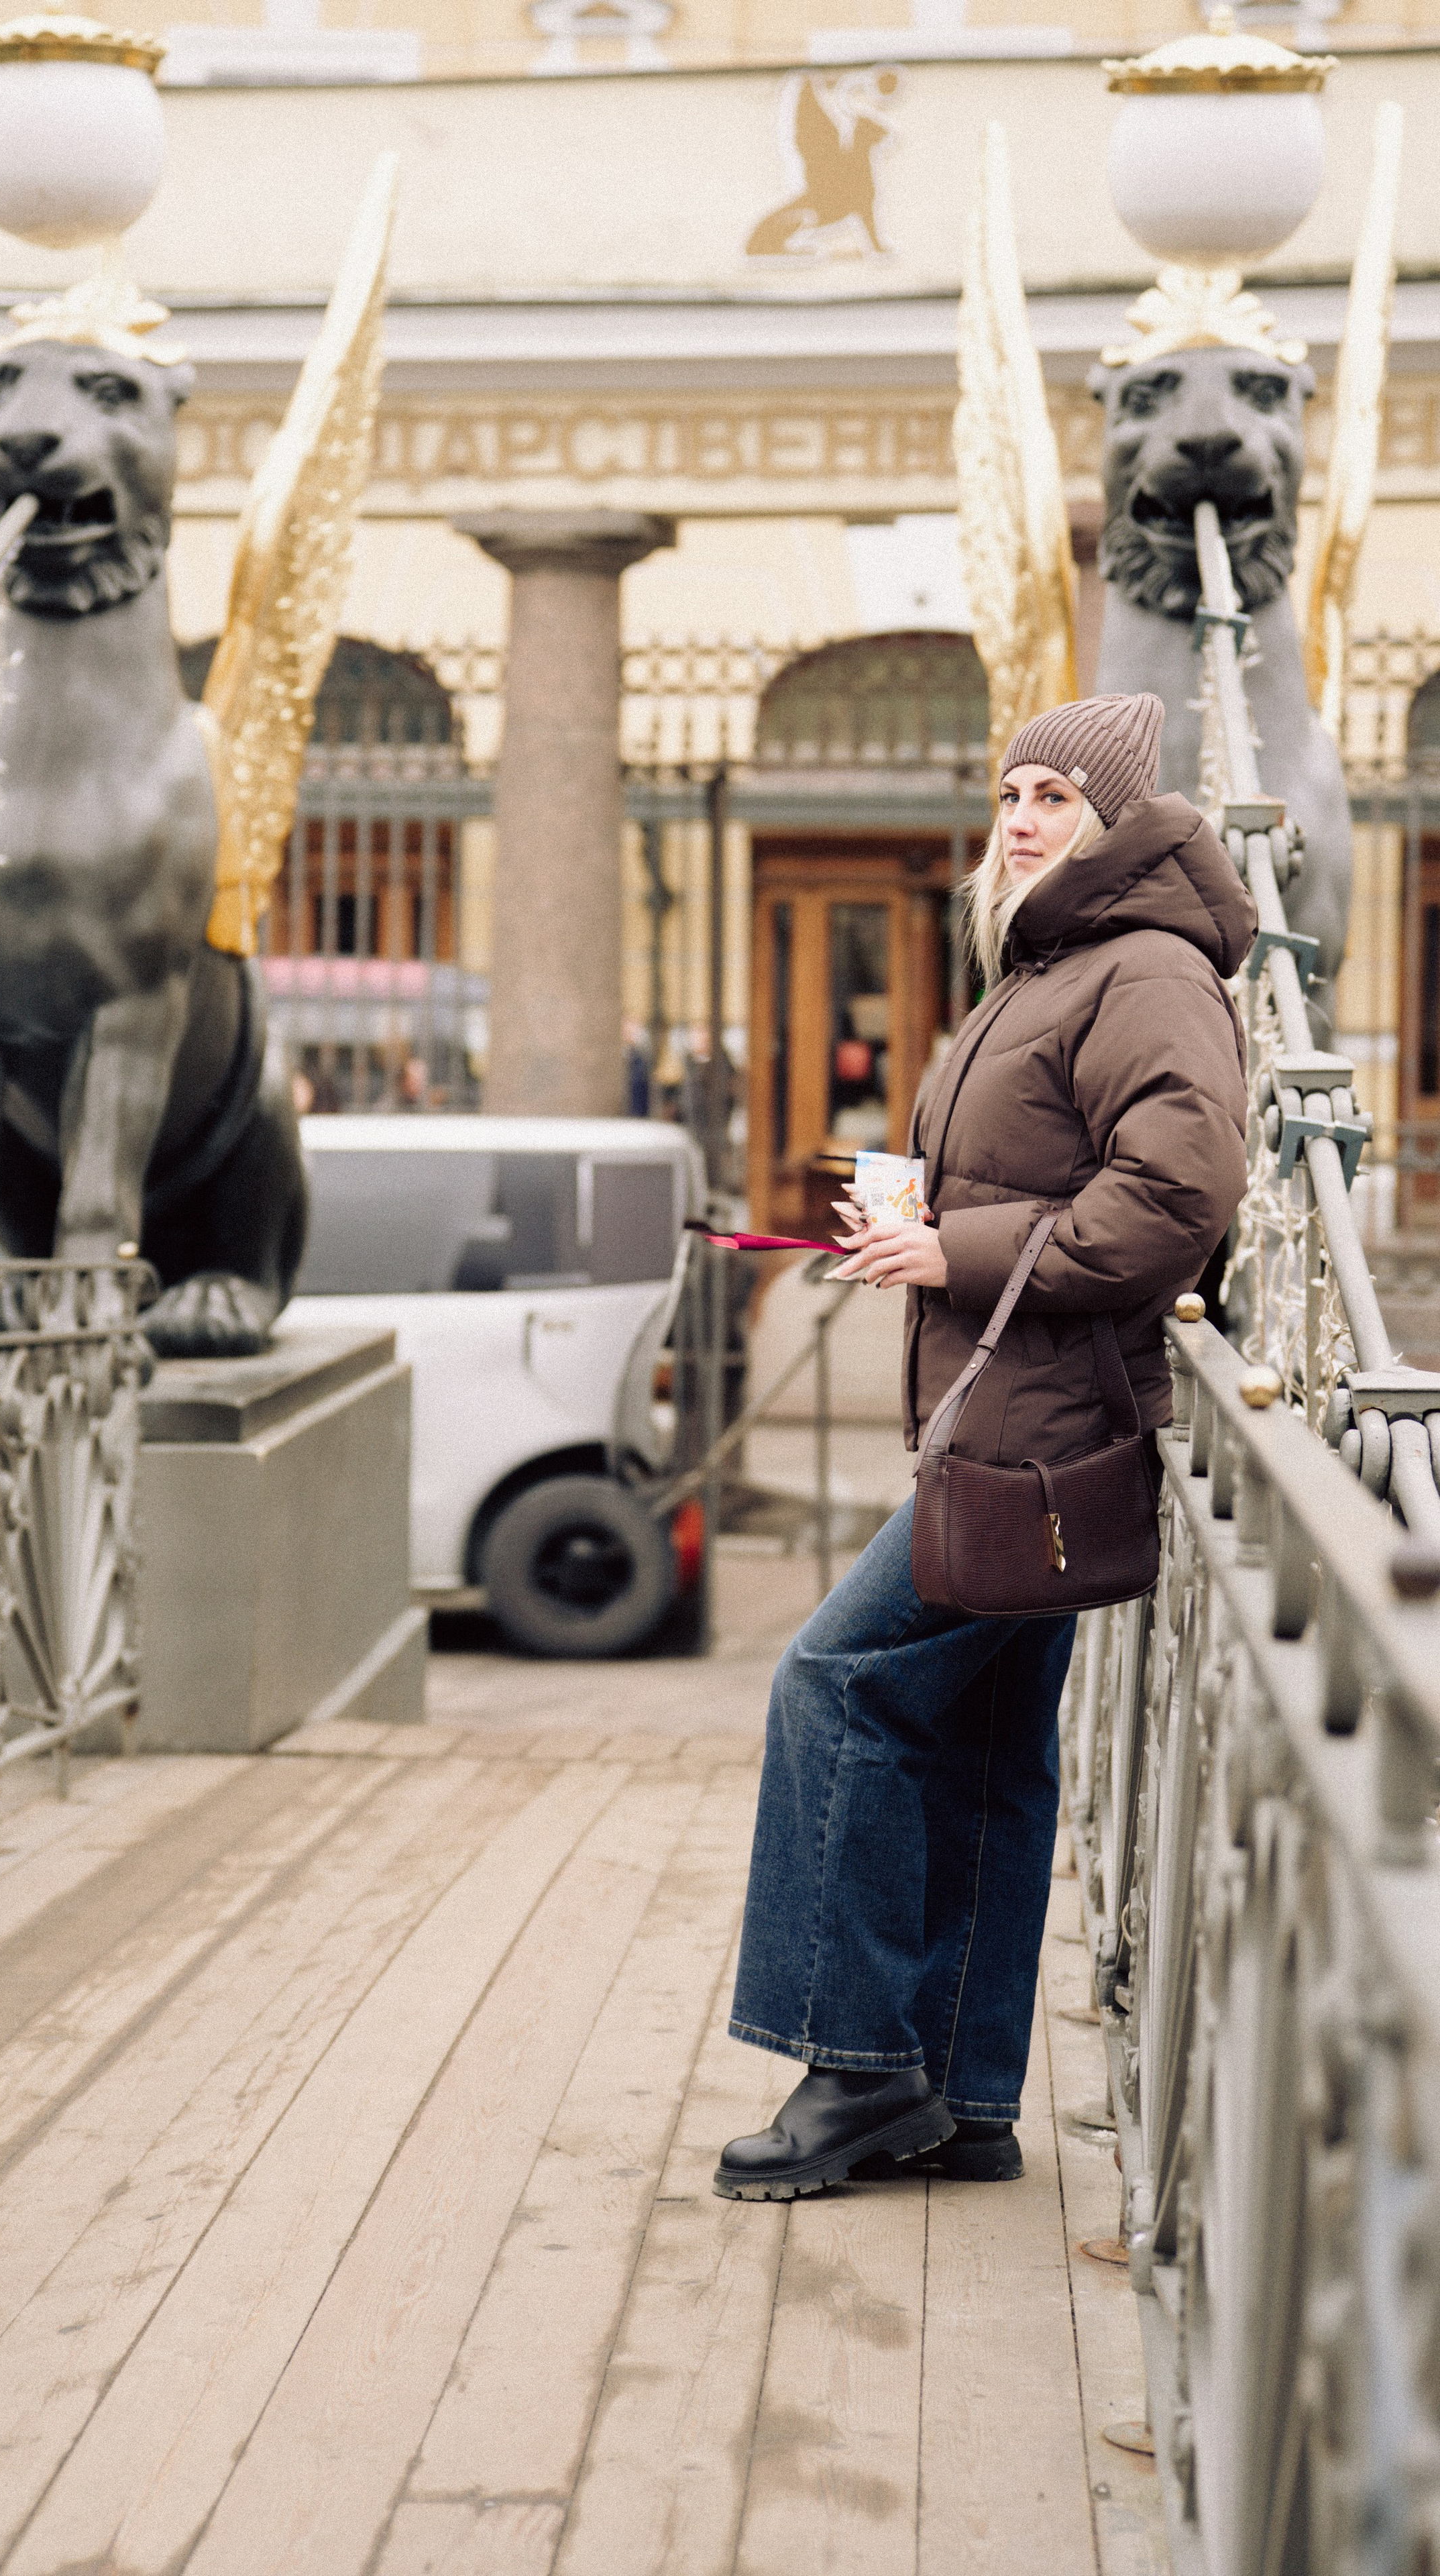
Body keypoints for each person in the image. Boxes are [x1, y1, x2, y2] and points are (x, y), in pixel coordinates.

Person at [714, 692, 1254, 2200]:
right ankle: (960, 2097)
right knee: (983, 1746)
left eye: (1051, 800)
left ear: (1114, 822)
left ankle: (858, 2068)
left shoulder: (1139, 969)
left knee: (834, 1683)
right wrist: (916, 1229)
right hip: (1012, 1410)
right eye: (1008, 792)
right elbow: (1044, 1174)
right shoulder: (1045, 962)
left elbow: (1171, 1196)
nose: (1017, 820)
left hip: (1043, 1428)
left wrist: (959, 1251)